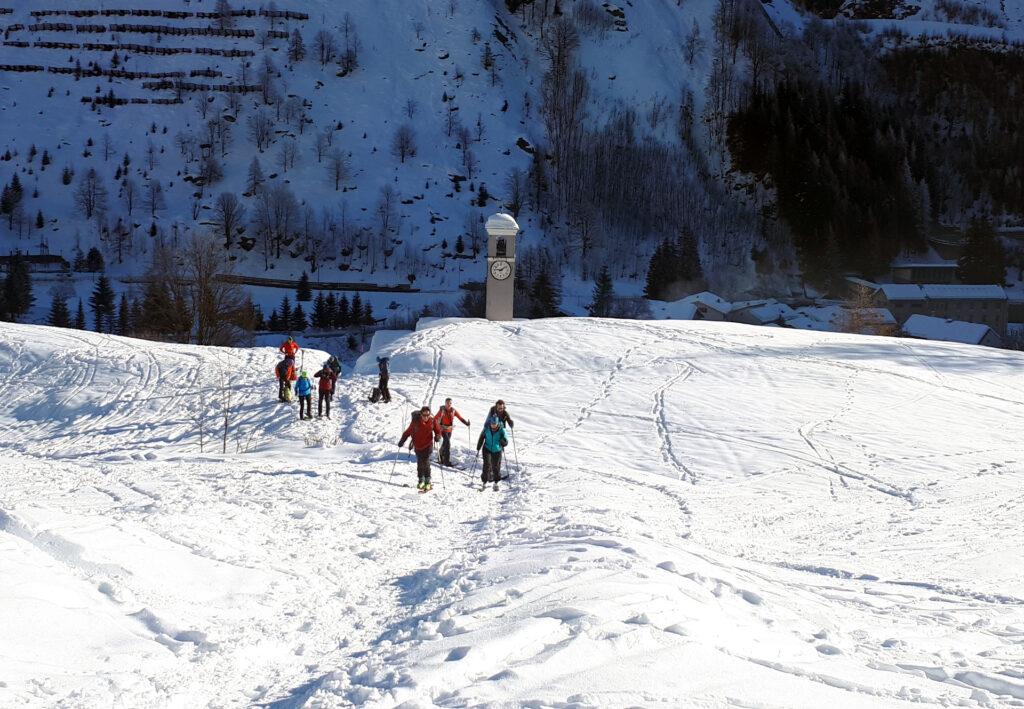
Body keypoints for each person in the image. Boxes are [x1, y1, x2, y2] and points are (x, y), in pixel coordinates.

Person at [398, 405, 441, 491]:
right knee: (420, 463)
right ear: (421, 414)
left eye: (427, 415)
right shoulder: (415, 422)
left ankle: (427, 482)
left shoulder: (432, 421)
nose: (426, 417)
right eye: (424, 415)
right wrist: (402, 440)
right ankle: (421, 480)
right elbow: (407, 432)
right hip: (417, 446)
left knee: (425, 462)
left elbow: (438, 431)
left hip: (428, 445)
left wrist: (437, 437)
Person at [476, 415, 509, 490]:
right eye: (492, 424)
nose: (493, 426)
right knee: (487, 465)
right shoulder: (487, 428)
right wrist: (478, 447)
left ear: (497, 424)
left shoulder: (502, 430)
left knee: (496, 466)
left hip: (497, 450)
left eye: (494, 424)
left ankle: (496, 483)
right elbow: (481, 438)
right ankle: (484, 482)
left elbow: (506, 441)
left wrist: (503, 441)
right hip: (487, 448)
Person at [435, 398, 470, 466]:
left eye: (450, 403)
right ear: (445, 403)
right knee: (448, 444)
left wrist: (466, 423)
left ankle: (440, 457)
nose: (449, 404)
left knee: (445, 443)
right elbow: (435, 418)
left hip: (449, 430)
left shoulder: (453, 411)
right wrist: (435, 427)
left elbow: (460, 417)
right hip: (442, 429)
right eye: (447, 403)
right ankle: (446, 461)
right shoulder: (442, 410)